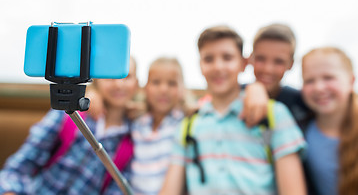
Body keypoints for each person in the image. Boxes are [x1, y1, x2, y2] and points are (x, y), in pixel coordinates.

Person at [160, 25, 307, 195]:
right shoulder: (188, 126)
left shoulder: (275, 115)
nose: (218, 67)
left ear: (244, 63)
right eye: (208, 59)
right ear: (200, 65)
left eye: (227, 58)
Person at [0, 57, 138, 195]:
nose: (119, 84)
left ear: (136, 84)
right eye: (110, 77)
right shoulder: (68, 113)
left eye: (127, 76)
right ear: (96, 80)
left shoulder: (134, 138)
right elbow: (21, 164)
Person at [301, 47, 358, 195]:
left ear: (351, 81)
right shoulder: (300, 132)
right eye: (309, 81)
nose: (319, 88)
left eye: (328, 78)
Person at [130, 57, 186, 195]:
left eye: (172, 83)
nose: (163, 89)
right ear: (145, 88)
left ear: (181, 89)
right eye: (156, 82)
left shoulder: (184, 123)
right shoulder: (136, 124)